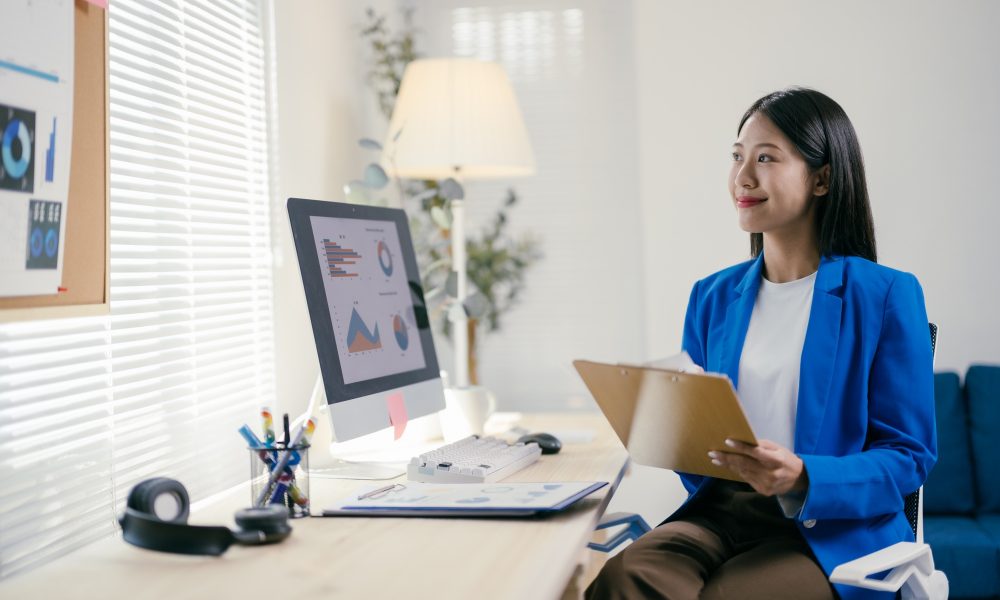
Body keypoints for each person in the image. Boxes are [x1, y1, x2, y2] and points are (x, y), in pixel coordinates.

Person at [585, 87, 937, 600]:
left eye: (766, 158)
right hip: (723, 513)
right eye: (737, 157)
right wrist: (665, 428)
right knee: (627, 575)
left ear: (822, 178)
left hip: (829, 529)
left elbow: (909, 457)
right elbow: (698, 452)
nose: (742, 177)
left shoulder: (884, 294)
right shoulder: (712, 295)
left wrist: (802, 477)